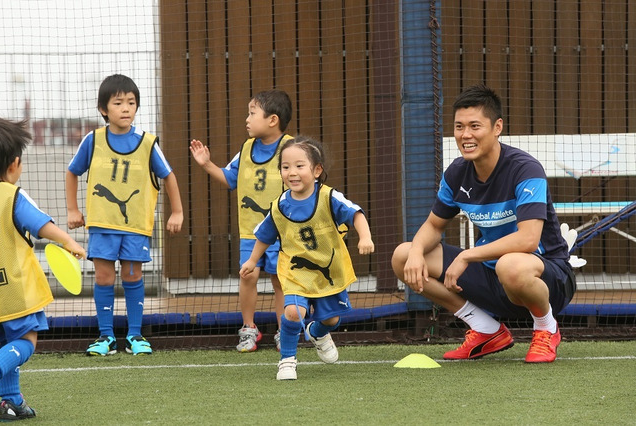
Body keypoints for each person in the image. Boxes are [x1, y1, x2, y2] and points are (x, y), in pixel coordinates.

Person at [391, 84, 576, 363]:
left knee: (511, 264)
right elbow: (433, 225)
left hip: (546, 277)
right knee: (403, 256)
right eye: (459, 126)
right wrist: (417, 253)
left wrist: (467, 255)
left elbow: (527, 240)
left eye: (475, 126)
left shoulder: (525, 169)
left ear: (497, 127)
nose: (466, 135)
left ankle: (546, 328)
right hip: (491, 276)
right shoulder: (456, 173)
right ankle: (485, 328)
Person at [66, 74, 184, 356]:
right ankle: (105, 337)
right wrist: (72, 209)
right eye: (118, 103)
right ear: (104, 109)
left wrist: (177, 211)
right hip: (102, 226)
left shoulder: (148, 143)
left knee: (133, 276)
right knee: (104, 278)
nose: (126, 108)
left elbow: (168, 176)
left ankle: (135, 336)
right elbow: (72, 171)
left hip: (136, 228)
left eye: (131, 102)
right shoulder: (92, 140)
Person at [240, 135, 374, 380]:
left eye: (299, 166)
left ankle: (317, 331)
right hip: (294, 271)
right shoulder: (279, 206)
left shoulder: (329, 197)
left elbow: (356, 214)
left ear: (316, 170)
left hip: (328, 270)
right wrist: (251, 260)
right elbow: (265, 235)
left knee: (332, 319)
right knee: (292, 312)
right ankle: (287, 361)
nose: (292, 172)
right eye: (285, 167)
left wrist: (364, 236)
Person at [0, 118, 86, 420]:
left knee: (3, 342)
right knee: (25, 341)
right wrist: (69, 242)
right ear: (14, 164)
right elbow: (41, 226)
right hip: (15, 290)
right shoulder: (12, 196)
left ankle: (10, 402)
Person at [190, 90, 293, 352]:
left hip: (283, 233)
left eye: (252, 113)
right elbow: (230, 179)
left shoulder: (291, 149)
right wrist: (206, 164)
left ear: (272, 120)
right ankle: (249, 329)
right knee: (248, 275)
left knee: (280, 280)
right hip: (251, 231)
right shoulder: (246, 148)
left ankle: (285, 331)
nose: (246, 119)